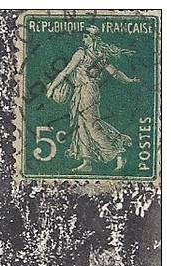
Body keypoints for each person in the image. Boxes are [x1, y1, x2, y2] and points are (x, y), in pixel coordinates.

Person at [46, 26, 140, 173]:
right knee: (81, 125)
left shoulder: (81, 53)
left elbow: (66, 72)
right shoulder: (101, 55)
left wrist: (52, 87)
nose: (83, 39)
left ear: (92, 38)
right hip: (84, 91)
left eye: (85, 36)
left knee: (90, 124)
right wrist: (128, 80)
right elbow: (115, 73)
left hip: (87, 91)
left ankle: (118, 151)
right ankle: (87, 161)